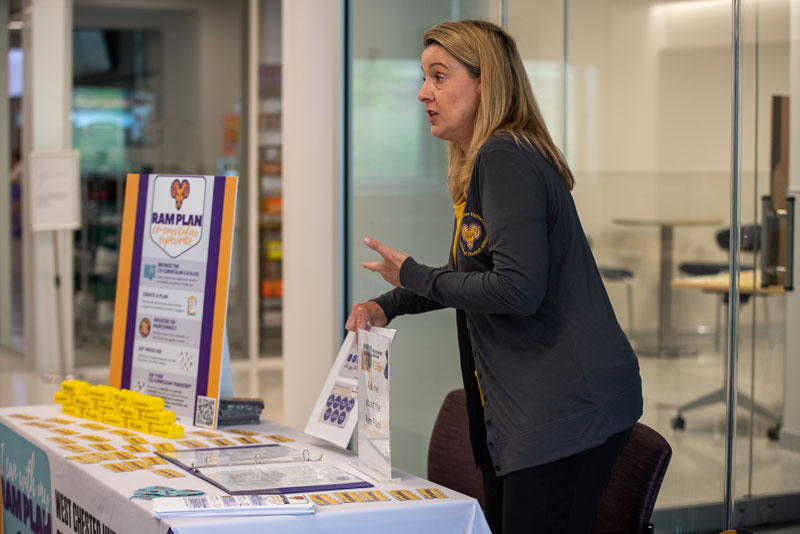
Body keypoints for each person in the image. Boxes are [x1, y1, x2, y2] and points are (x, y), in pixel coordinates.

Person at [345, 20, 642, 534]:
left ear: (486, 83)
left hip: (563, 411)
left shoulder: (506, 156)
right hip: (525, 412)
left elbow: (516, 290)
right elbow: (471, 276)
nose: (423, 93)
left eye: (439, 77)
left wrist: (412, 273)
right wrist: (390, 302)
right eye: (424, 78)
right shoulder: (490, 160)